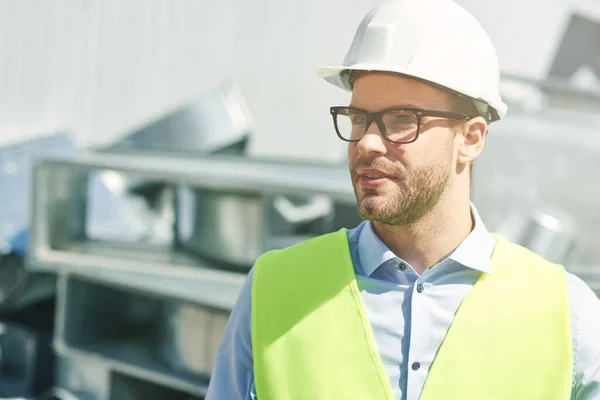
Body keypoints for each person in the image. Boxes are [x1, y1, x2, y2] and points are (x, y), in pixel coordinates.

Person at [206, 0, 600, 398]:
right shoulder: (273, 289)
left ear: (471, 138)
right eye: (358, 118)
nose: (367, 142)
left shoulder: (568, 315)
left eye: (401, 120)